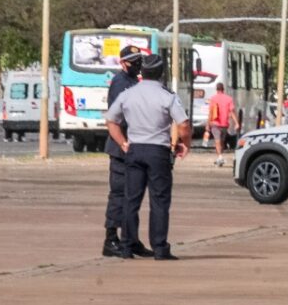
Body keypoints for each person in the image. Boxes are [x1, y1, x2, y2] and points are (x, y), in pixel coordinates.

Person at [104, 54, 193, 261]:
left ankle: (126, 246)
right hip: (158, 152)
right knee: (159, 201)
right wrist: (184, 144)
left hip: (134, 150)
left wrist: (122, 142)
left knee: (131, 199)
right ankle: (160, 248)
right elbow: (184, 124)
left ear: (142, 71)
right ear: (162, 73)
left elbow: (111, 120)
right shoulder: (167, 96)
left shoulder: (129, 94)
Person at [101, 46, 143, 257]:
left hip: (134, 145)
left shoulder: (134, 82)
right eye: (133, 61)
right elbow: (119, 115)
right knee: (119, 194)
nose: (137, 65)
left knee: (132, 196)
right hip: (121, 146)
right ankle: (111, 240)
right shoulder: (120, 83)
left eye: (139, 60)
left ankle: (131, 239)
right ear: (123, 63)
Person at [204, 82, 236, 168]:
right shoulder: (229, 99)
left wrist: (208, 124)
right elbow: (232, 111)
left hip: (215, 123)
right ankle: (220, 157)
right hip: (225, 124)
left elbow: (211, 112)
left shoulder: (213, 99)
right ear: (223, 89)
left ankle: (220, 157)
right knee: (221, 141)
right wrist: (237, 123)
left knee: (217, 141)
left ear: (216, 89)